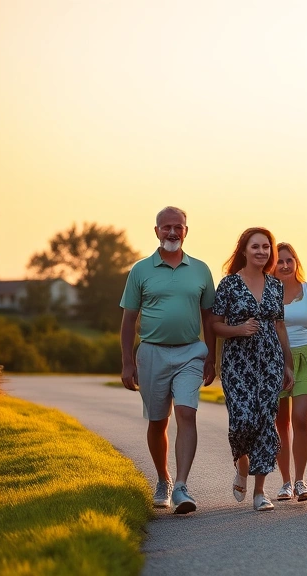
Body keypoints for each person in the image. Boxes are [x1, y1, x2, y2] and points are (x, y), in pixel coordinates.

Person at [120, 206, 217, 515]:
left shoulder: (201, 270)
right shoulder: (140, 270)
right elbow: (128, 320)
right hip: (152, 353)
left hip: (191, 351)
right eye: (166, 227)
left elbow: (209, 317)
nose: (172, 232)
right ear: (157, 231)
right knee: (158, 420)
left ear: (186, 230)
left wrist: (212, 356)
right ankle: (163, 479)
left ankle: (182, 487)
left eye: (178, 227)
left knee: (187, 413)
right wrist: (126, 362)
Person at [210, 227, 294, 512]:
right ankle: (242, 467)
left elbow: (280, 326)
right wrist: (238, 329)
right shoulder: (229, 284)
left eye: (266, 247)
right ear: (244, 250)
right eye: (255, 246)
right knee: (243, 421)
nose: (262, 252)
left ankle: (260, 492)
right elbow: (214, 325)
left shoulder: (275, 285)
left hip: (270, 362)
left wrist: (288, 365)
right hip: (238, 363)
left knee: (264, 423)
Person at [272, 242, 307, 502]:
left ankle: (300, 481)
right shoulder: (268, 291)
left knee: (300, 418)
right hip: (277, 359)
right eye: (279, 261)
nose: (284, 265)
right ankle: (285, 482)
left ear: (296, 262)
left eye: (289, 260)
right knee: (280, 422)